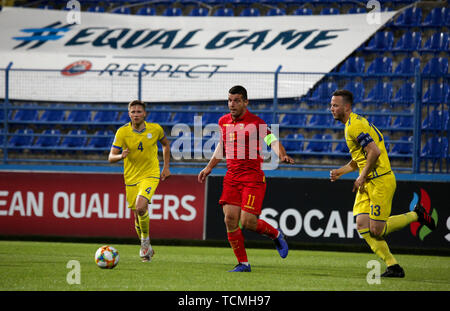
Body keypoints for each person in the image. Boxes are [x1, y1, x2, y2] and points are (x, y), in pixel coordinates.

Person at [329, 89, 436, 277]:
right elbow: (360, 158)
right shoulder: (352, 125)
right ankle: (393, 266)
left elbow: (374, 152)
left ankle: (416, 215)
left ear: (346, 107)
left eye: (335, 105)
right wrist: (341, 171)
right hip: (368, 181)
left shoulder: (355, 126)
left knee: (376, 230)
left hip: (380, 180)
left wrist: (361, 176)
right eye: (331, 105)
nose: (331, 109)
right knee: (362, 224)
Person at [198, 85, 294, 272]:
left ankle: (275, 234)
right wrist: (209, 167)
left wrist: (281, 154)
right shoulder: (223, 121)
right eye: (230, 100)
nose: (232, 104)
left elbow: (271, 140)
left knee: (248, 222)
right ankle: (243, 263)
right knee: (229, 220)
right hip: (232, 177)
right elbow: (222, 147)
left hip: (252, 178)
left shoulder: (256, 123)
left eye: (236, 100)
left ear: (245, 102)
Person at [108, 100, 171, 262]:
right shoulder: (122, 132)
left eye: (139, 112)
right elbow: (110, 157)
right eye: (133, 112)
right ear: (129, 114)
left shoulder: (155, 129)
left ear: (145, 114)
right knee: (137, 215)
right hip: (131, 178)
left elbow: (165, 145)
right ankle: (147, 249)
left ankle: (144, 243)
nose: (136, 114)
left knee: (140, 206)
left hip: (150, 174)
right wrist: (120, 156)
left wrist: (166, 167)